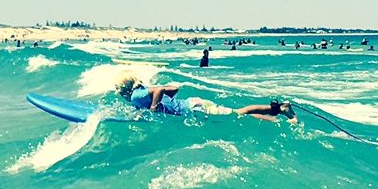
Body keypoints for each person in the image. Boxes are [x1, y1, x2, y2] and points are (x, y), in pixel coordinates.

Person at [115, 72, 298, 123]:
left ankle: (281, 112)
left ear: (125, 89)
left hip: (195, 109)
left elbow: (160, 90)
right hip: (195, 103)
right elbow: (173, 89)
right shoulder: (143, 90)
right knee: (238, 115)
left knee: (240, 113)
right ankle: (278, 112)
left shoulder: (135, 97)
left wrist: (154, 108)